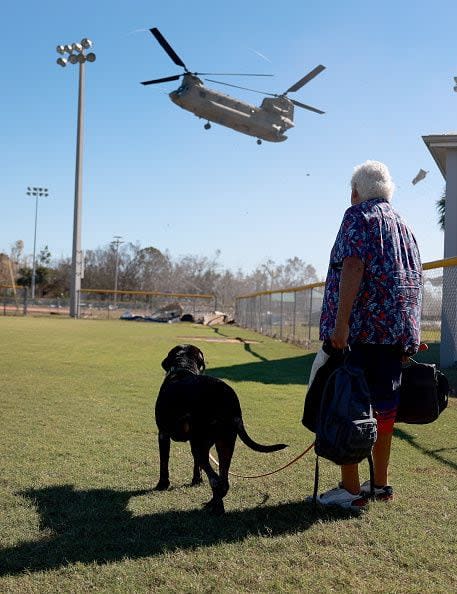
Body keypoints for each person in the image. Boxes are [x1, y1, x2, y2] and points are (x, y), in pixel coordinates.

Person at [311, 160, 423, 510]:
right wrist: (410, 332)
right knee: (384, 410)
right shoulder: (403, 223)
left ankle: (350, 490)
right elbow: (414, 277)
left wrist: (341, 324)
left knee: (349, 406)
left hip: (360, 332)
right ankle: (380, 485)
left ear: (355, 190)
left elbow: (353, 265)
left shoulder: (358, 216)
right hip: (395, 334)